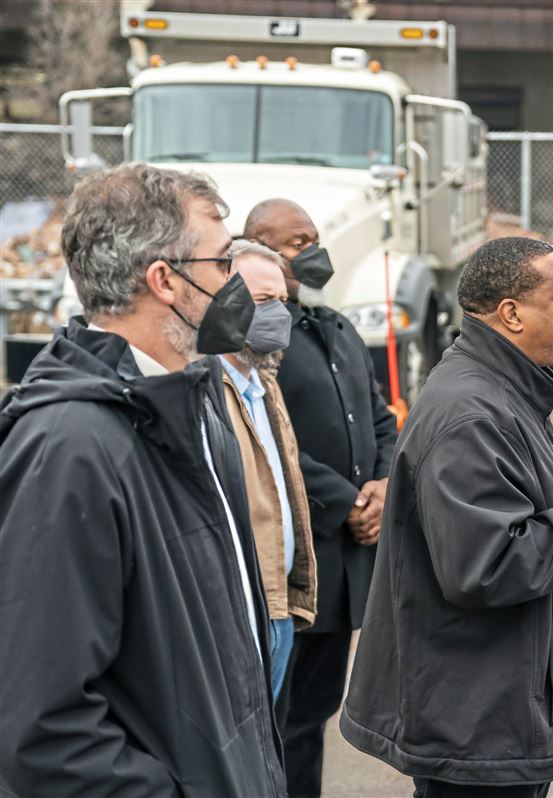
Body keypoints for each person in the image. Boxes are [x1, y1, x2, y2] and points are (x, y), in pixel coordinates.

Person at [0, 164, 287, 796]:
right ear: (164, 279)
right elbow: (44, 730)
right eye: (221, 263)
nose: (239, 281)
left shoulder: (195, 404)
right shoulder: (69, 447)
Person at [340, 236, 553, 797]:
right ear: (512, 314)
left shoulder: (505, 390)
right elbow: (488, 566)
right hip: (478, 728)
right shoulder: (470, 415)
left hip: (497, 717)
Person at [244, 198, 399, 795]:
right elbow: (267, 436)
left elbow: (382, 418)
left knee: (313, 712)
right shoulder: (261, 340)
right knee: (279, 719)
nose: (312, 252)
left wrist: (384, 486)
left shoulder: (337, 326)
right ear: (256, 248)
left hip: (344, 564)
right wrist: (349, 501)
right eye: (295, 242)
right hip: (295, 554)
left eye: (314, 237)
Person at [219, 239, 319, 702]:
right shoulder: (206, 392)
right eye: (262, 301)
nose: (278, 314)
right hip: (235, 612)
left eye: (282, 300)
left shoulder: (264, 385)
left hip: (278, 605)